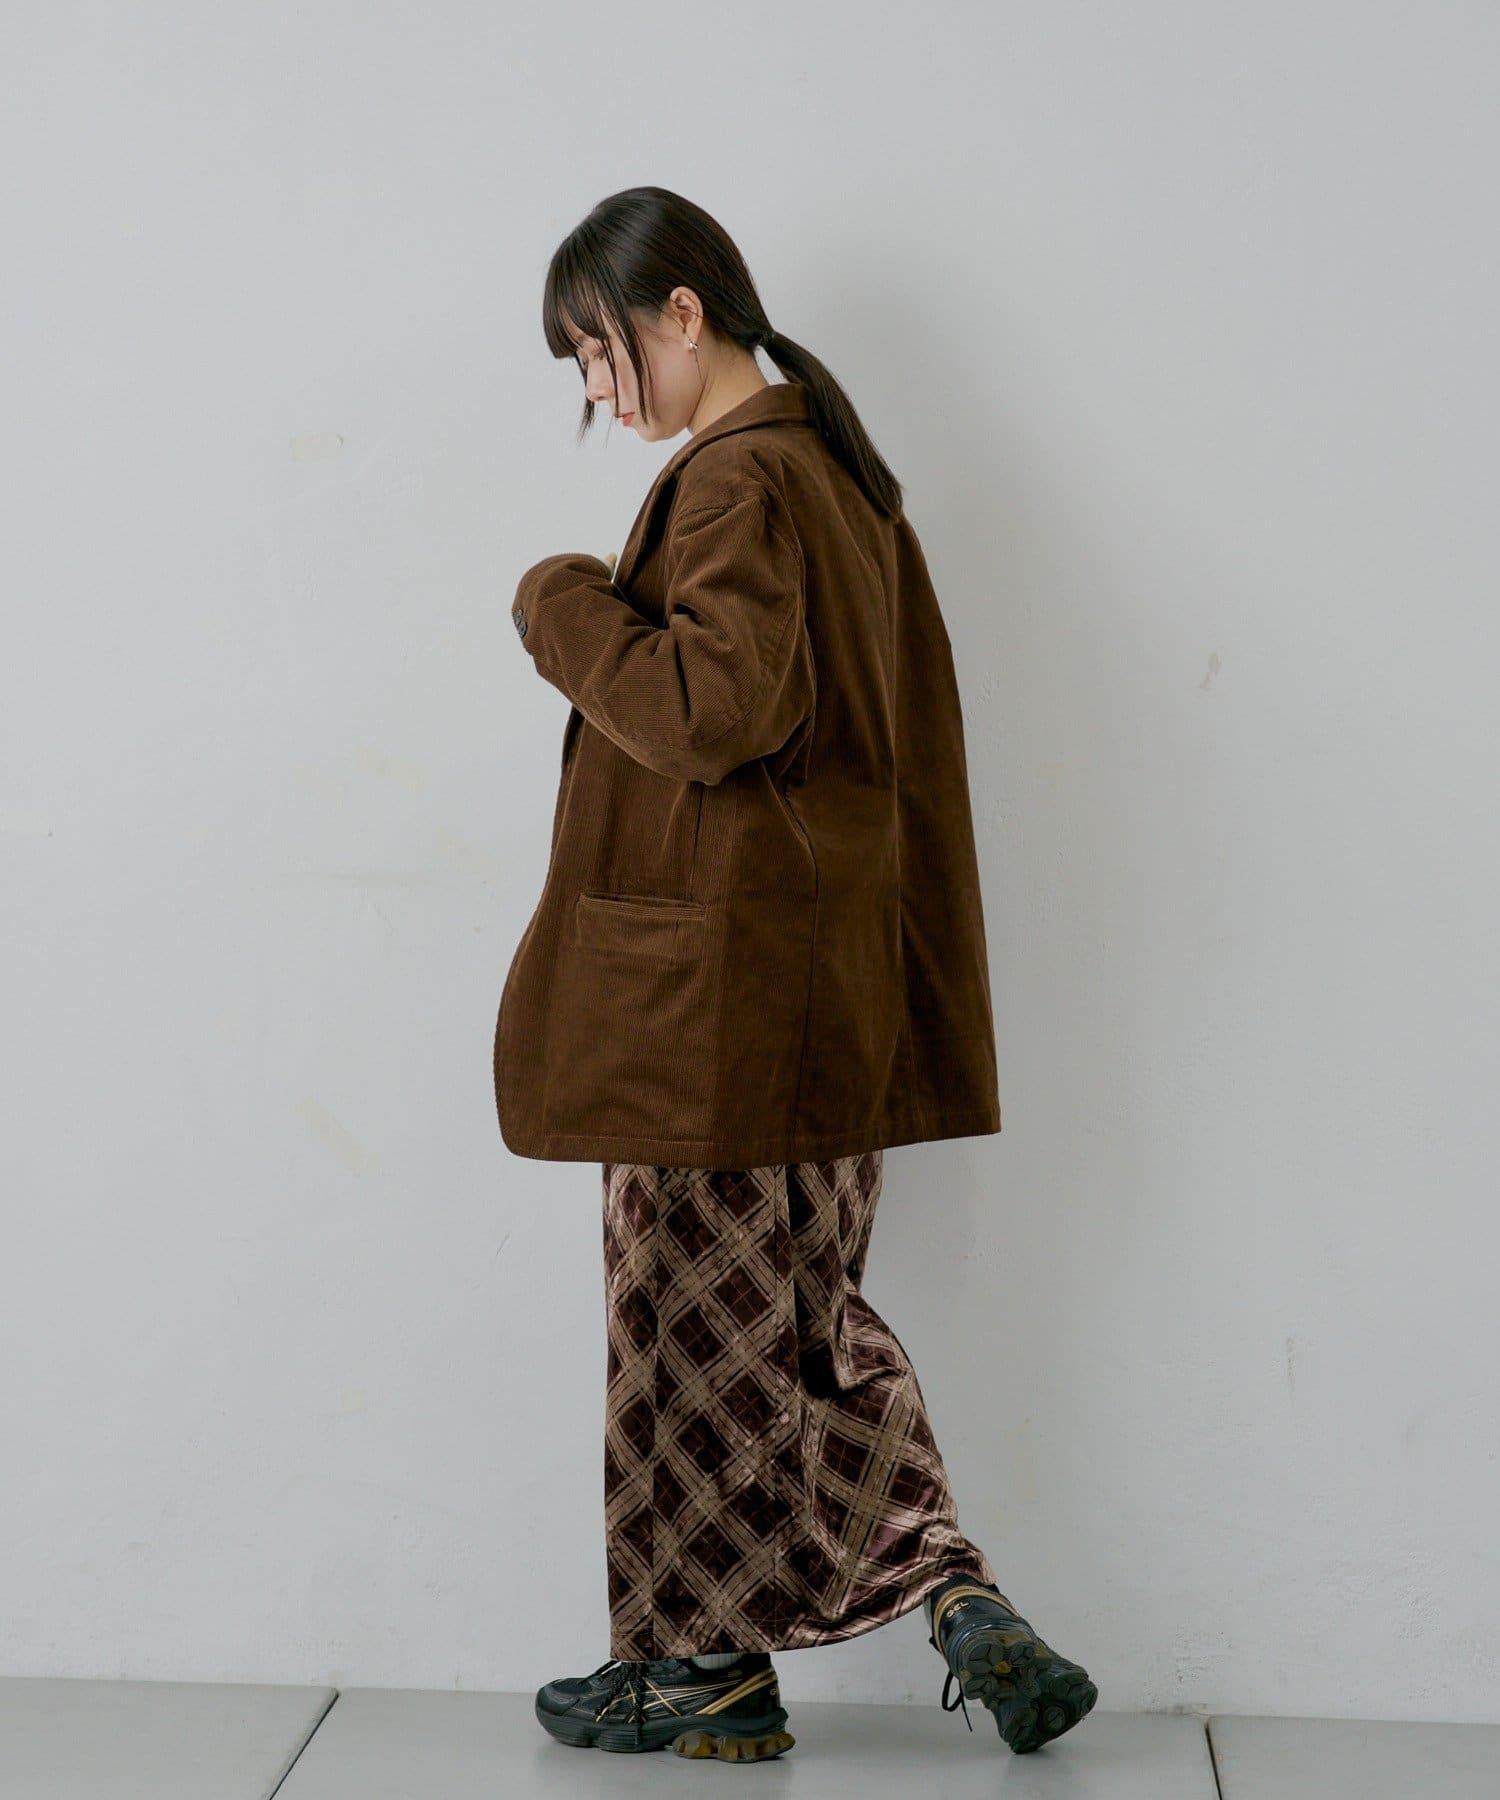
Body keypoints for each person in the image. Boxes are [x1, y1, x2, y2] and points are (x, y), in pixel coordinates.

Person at [495, 186, 1097, 1763]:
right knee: (791, 1329)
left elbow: (709, 712)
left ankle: (820, 1627)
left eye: (603, 352)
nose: (599, 392)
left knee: (686, 1332)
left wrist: (560, 605)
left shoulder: (742, 480)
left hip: (707, 1006)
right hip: (820, 994)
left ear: (684, 313)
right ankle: (789, 1638)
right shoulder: (840, 476)